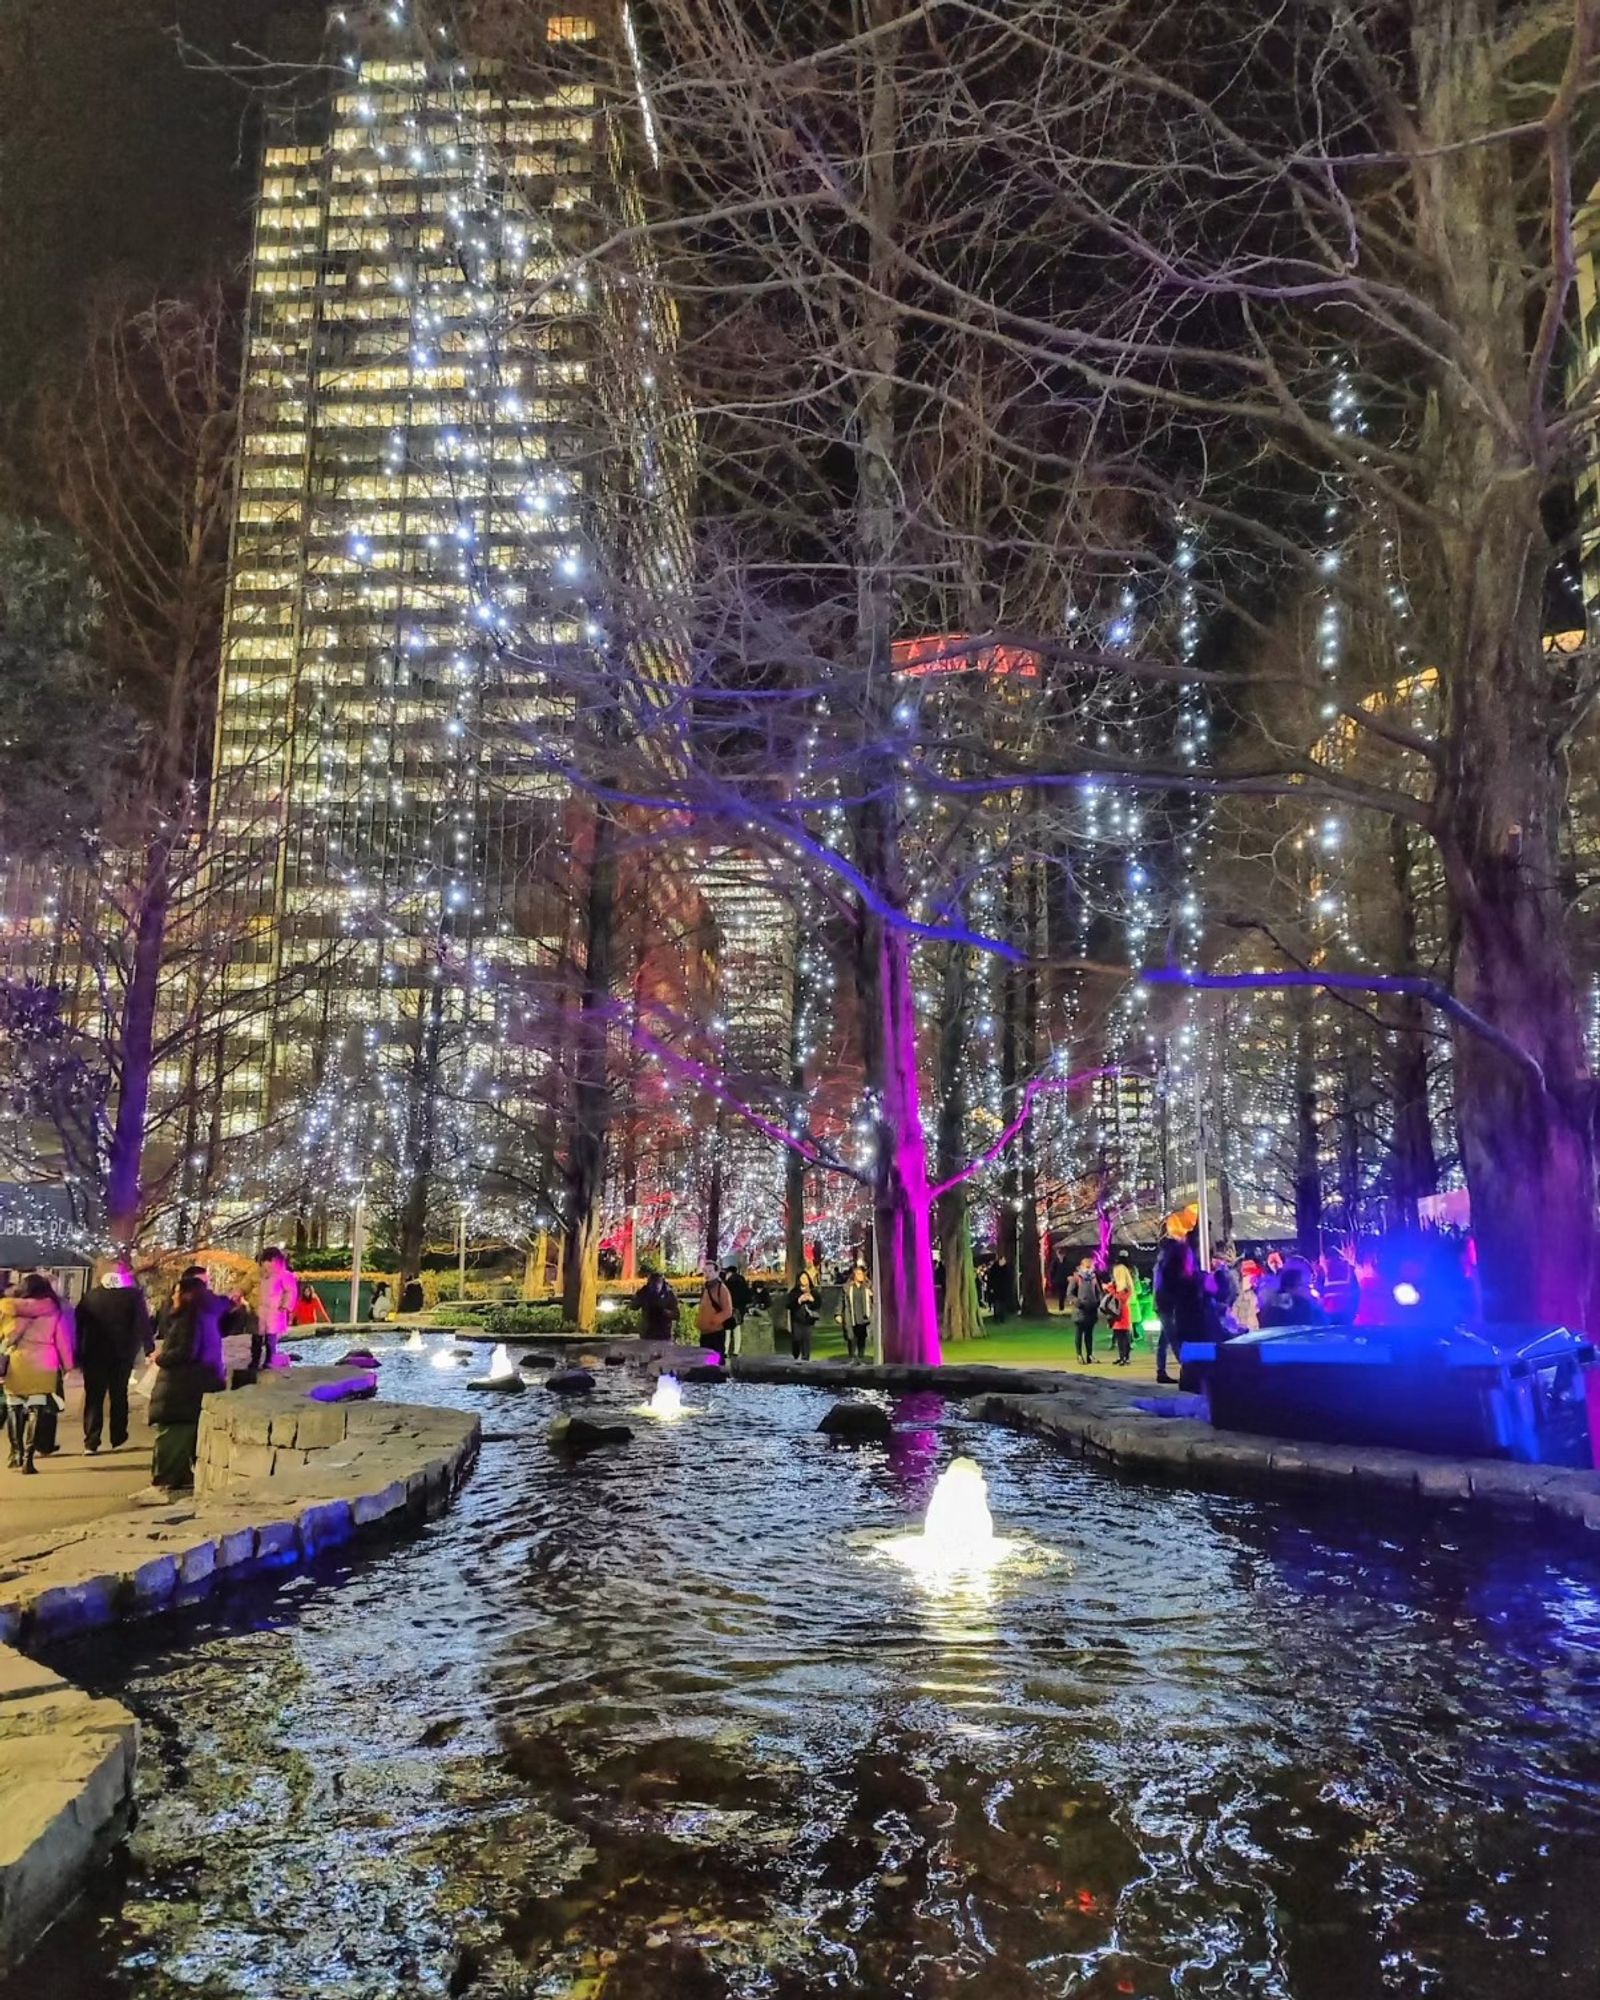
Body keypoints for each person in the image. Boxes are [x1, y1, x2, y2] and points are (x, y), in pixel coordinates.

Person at [148, 1269, 227, 1493]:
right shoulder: (206, 1314)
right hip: (196, 1383)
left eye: (177, 1292)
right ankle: (176, 1481)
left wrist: (160, 1358)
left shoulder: (190, 1319)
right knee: (181, 1437)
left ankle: (165, 1484)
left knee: (172, 1437)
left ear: (187, 1295)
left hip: (184, 1387)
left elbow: (185, 1351)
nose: (173, 1297)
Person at [74, 1258, 154, 1454]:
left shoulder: (90, 1297)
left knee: (94, 1397)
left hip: (93, 1354)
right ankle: (118, 1435)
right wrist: (149, 1347)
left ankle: (91, 1441)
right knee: (119, 1394)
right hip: (122, 1354)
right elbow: (143, 1324)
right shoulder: (133, 1297)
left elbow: (78, 1328)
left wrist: (76, 1354)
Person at [1, 1275, 76, 1474]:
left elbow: (4, 1336)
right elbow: (62, 1340)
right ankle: (28, 1460)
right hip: (44, 1361)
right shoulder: (53, 1310)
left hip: (17, 1361)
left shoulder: (10, 1309)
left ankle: (16, 1453)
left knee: (14, 1408)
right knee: (37, 1408)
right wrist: (68, 1365)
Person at [1153, 1219, 1206, 1385]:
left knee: (1165, 1338)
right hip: (1169, 1305)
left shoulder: (1163, 1262)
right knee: (1174, 1337)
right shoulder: (1173, 1262)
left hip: (1164, 1303)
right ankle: (1187, 1369)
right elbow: (1176, 1283)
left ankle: (1161, 1370)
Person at [256, 1246, 299, 1373]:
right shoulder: (261, 1276)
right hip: (261, 1310)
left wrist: (285, 1305)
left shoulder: (284, 1275)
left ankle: (270, 1360)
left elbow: (290, 1291)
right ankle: (256, 1360)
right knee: (257, 1336)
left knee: (271, 1337)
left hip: (275, 1310)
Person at [1258, 1259, 1323, 1328]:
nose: (1309, 1290)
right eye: (1306, 1286)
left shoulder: (1269, 1305)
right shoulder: (1304, 1306)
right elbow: (1321, 1324)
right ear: (1290, 1287)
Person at [695, 1263, 735, 1360]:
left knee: (715, 1362)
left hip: (715, 1332)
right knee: (705, 1361)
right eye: (705, 1271)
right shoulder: (707, 1288)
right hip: (705, 1332)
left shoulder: (722, 1289)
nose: (707, 1274)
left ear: (717, 1272)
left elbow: (728, 1311)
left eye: (710, 1271)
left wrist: (714, 1321)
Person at [1066, 1256, 1101, 1364]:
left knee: (1089, 1334)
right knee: (1079, 1333)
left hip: (1092, 1310)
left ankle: (1090, 1354)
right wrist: (1078, 1302)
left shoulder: (1094, 1278)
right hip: (1080, 1311)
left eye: (1091, 1267)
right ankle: (1079, 1355)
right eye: (1087, 1267)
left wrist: (1098, 1302)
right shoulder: (1076, 1278)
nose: (1089, 1269)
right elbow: (1070, 1294)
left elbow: (1098, 1292)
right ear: (1081, 1267)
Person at [635, 1265, 680, 1342]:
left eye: (657, 1283)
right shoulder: (645, 1291)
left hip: (664, 1333)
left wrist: (664, 1312)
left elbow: (677, 1314)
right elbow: (633, 1306)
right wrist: (639, 1297)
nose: (655, 1286)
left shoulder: (669, 1293)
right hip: (648, 1332)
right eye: (653, 1283)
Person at [1104, 1262, 1136, 1365]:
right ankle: (1121, 1356)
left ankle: (1126, 1358)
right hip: (1115, 1312)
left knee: (1125, 1337)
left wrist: (1110, 1289)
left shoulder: (1126, 1287)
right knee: (1118, 1336)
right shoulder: (1116, 1284)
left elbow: (1121, 1299)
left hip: (1123, 1313)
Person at [839, 1262, 873, 1361]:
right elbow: (841, 1301)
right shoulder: (847, 1288)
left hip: (863, 1318)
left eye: (861, 1273)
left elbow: (875, 1301)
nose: (860, 1275)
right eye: (858, 1274)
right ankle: (852, 1357)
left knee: (862, 1339)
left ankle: (861, 1357)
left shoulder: (867, 1286)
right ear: (854, 1276)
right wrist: (838, 1314)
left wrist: (872, 1295)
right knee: (851, 1338)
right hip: (851, 1316)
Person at [788, 1265, 820, 1360]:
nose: (804, 1280)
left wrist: (812, 1300)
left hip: (808, 1320)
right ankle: (796, 1355)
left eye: (805, 1278)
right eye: (802, 1278)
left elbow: (818, 1304)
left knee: (806, 1341)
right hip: (797, 1320)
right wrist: (799, 1300)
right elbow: (788, 1305)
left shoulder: (813, 1292)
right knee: (797, 1339)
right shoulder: (794, 1292)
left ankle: (805, 1359)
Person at [985, 1251, 1016, 1324]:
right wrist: (991, 1288)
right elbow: (991, 1279)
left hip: (1003, 1290)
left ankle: (1001, 1317)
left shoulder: (1006, 1268)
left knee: (1002, 1304)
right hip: (997, 1289)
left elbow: (1009, 1279)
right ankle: (997, 1317)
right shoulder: (995, 1268)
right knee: (997, 1304)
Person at [1049, 1247, 1074, 1316]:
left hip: (1064, 1280)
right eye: (1059, 1254)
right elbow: (1052, 1271)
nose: (1060, 1255)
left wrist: (1069, 1276)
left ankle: (1063, 1305)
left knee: (1064, 1293)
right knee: (1061, 1293)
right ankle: (1061, 1306)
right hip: (1058, 1280)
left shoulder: (1067, 1262)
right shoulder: (1055, 1262)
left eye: (1061, 1254)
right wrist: (1052, 1279)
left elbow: (1069, 1269)